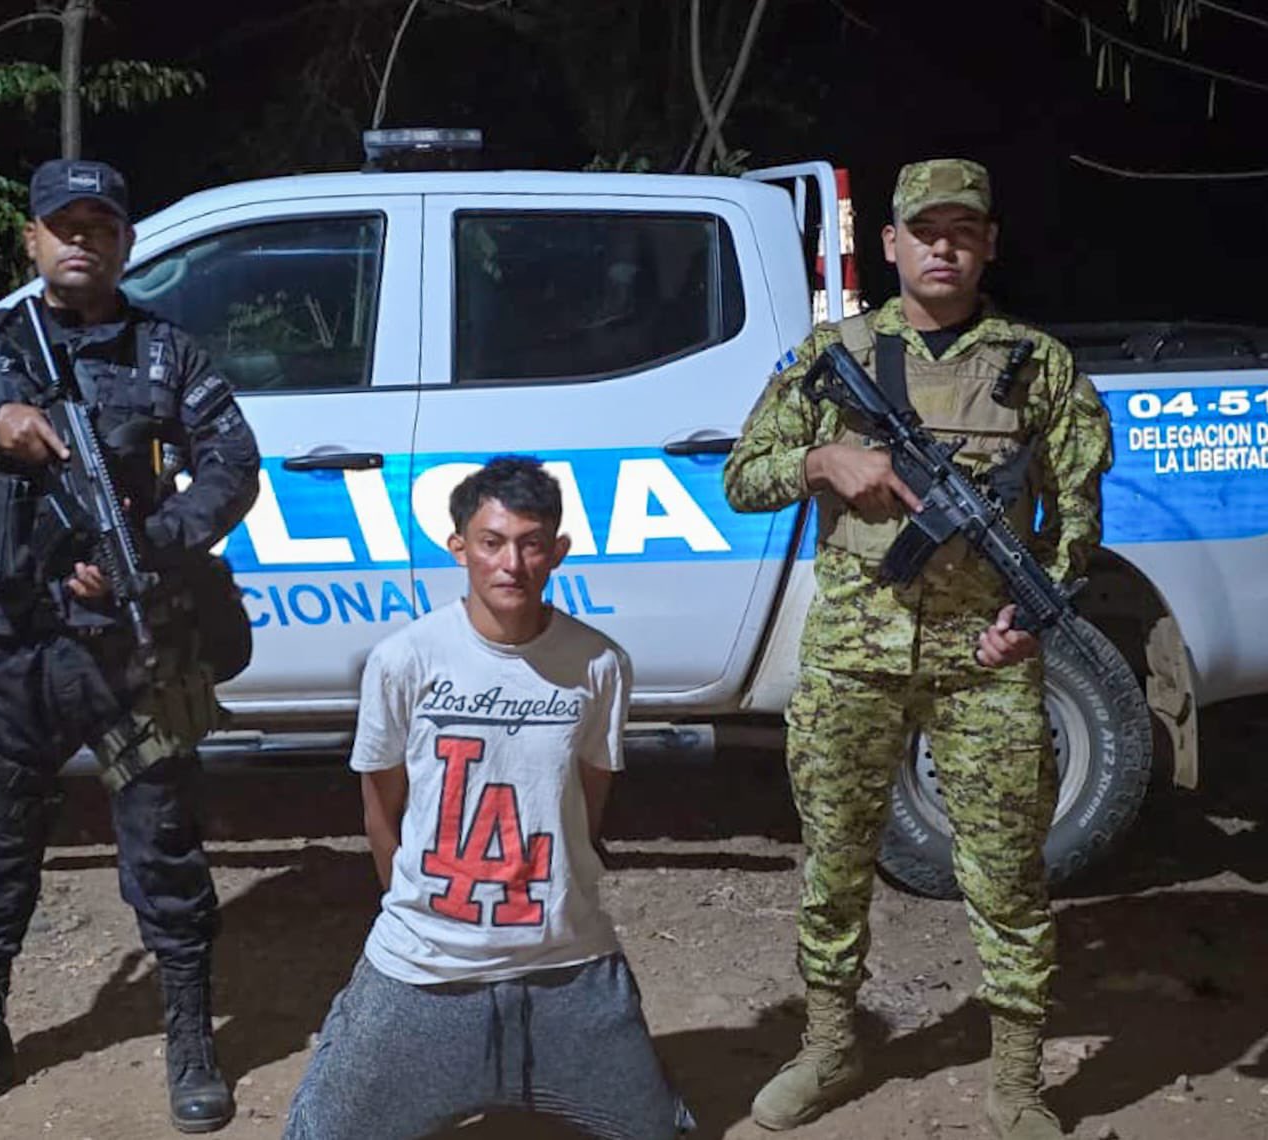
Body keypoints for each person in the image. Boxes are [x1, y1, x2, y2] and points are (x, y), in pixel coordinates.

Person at [0, 158, 260, 1137]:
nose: (81, 240)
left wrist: (151, 549)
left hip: (130, 653)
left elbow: (234, 464)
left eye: (100, 225)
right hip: (2, 649)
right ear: (32, 240)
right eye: (63, 224)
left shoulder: (166, 354)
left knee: (163, 847)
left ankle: (190, 1033)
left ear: (124, 242)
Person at [724, 159, 1111, 1140]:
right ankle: (828, 1045)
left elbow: (1074, 520)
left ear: (989, 245)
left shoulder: (1037, 365)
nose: (944, 247)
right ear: (890, 243)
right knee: (835, 861)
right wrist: (823, 459)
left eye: (963, 231)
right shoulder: (835, 354)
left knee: (1007, 873)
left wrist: (1031, 614)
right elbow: (742, 477)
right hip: (853, 656)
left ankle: (1015, 1081)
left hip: (985, 664)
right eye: (925, 231)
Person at [282, 457, 694, 1140]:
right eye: (492, 542)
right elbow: (381, 809)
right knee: (320, 1132)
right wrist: (420, 910)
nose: (512, 564)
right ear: (459, 548)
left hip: (564, 953)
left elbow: (587, 803)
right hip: (426, 958)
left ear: (558, 551)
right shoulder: (404, 659)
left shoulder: (598, 663)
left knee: (656, 1131)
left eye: (532, 544)